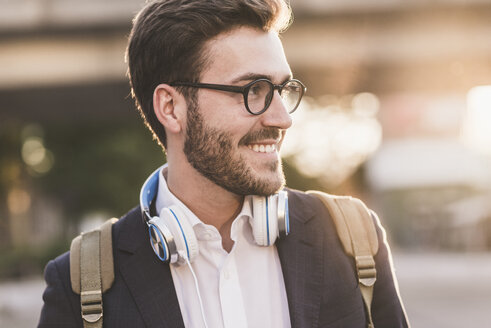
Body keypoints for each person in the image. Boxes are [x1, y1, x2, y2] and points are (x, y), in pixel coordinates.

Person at [38, 0, 409, 327]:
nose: (282, 119)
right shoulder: (84, 286)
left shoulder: (353, 239)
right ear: (171, 108)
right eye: (253, 91)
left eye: (282, 90)